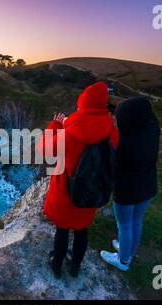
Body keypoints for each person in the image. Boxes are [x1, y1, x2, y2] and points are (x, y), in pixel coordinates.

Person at [38, 82, 119, 278]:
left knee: (63, 230)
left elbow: (44, 149)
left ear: (82, 106)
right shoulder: (112, 132)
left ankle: (56, 265)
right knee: (82, 229)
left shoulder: (69, 134)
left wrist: (56, 124)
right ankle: (75, 266)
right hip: (92, 190)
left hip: (67, 191)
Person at [100, 97, 160, 271]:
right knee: (137, 220)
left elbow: (110, 168)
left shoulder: (125, 144)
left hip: (127, 191)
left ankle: (123, 260)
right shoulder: (152, 128)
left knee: (124, 225)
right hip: (148, 187)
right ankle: (129, 250)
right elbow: (146, 111)